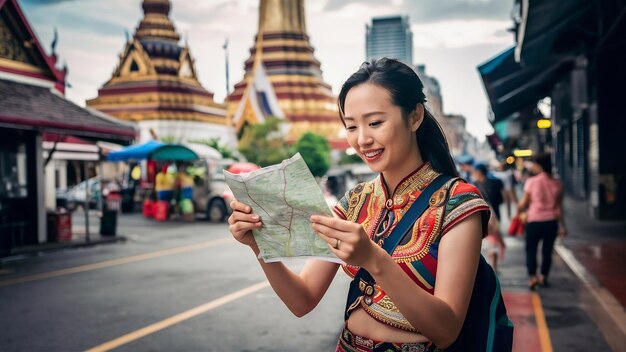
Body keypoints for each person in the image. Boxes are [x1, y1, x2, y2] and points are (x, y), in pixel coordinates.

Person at [228, 58, 512, 351]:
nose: (362, 140)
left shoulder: (457, 203)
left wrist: (374, 260)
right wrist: (260, 246)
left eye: (375, 123)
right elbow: (302, 299)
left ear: (415, 117)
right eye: (351, 127)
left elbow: (446, 330)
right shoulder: (355, 202)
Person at [517, 153, 566, 289]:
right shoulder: (557, 183)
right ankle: (543, 276)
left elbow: (522, 204)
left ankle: (533, 277)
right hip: (551, 222)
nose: (532, 166)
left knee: (530, 250)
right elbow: (559, 208)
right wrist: (563, 226)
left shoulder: (531, 182)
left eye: (534, 164)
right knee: (547, 250)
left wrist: (519, 209)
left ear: (539, 165)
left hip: (534, 221)